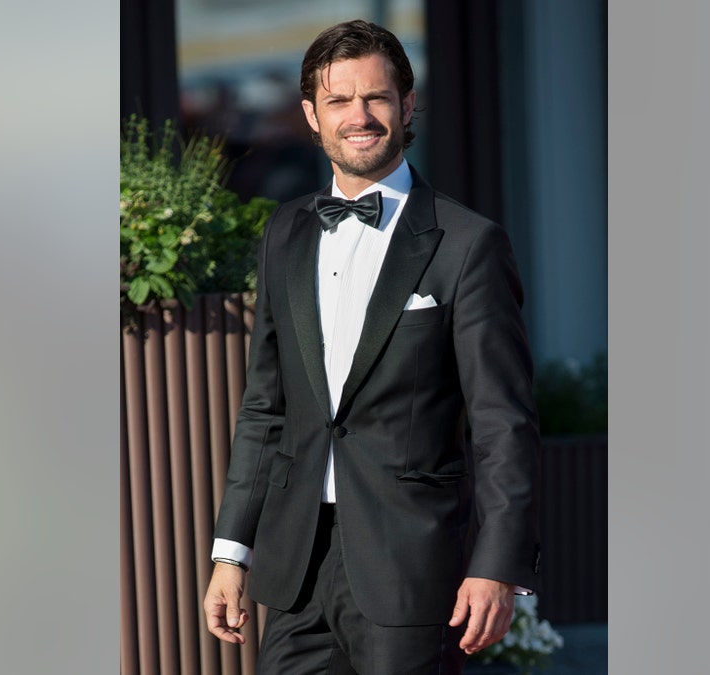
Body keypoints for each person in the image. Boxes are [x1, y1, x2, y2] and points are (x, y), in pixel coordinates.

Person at [203, 19, 541, 675]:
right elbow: (264, 407)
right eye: (338, 100)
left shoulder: (468, 244)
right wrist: (229, 551)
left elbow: (504, 422)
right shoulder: (284, 233)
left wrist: (497, 564)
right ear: (310, 114)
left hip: (410, 565)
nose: (359, 116)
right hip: (296, 568)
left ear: (407, 105)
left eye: (376, 98)